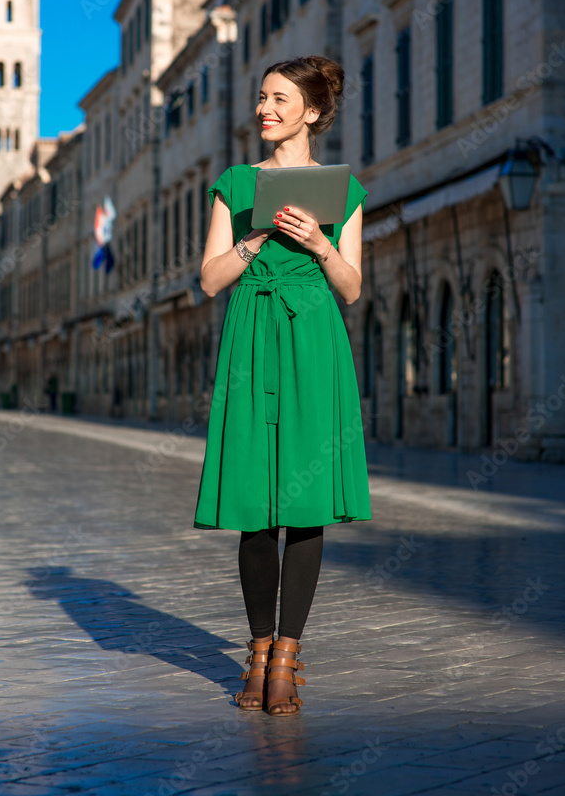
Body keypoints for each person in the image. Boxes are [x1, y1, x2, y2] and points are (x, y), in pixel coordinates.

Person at [195, 55, 372, 716]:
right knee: (253, 500)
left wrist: (320, 244)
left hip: (313, 337)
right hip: (251, 334)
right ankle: (258, 651)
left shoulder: (342, 190)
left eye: (277, 99)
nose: (264, 109)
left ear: (313, 111)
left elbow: (352, 288)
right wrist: (257, 238)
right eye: (260, 98)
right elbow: (210, 279)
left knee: (302, 501)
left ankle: (287, 661)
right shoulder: (235, 182)